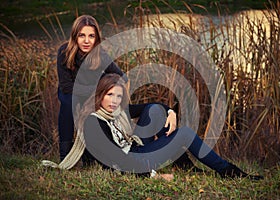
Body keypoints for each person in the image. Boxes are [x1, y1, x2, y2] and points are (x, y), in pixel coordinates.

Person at [43, 74, 263, 180]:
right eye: (110, 95)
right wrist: (153, 176)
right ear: (100, 95)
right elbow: (114, 162)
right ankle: (228, 172)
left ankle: (183, 163)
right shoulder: (94, 122)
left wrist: (171, 112)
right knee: (185, 134)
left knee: (156, 111)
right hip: (133, 158)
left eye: (118, 96)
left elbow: (150, 107)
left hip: (135, 147)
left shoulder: (118, 111)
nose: (114, 101)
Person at [56, 15, 126, 162]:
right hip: (69, 93)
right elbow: (66, 86)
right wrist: (96, 90)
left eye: (91, 36)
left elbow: (121, 77)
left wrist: (106, 88)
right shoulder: (64, 51)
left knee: (93, 113)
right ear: (75, 36)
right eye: (82, 35)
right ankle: (65, 156)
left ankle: (89, 156)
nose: (87, 41)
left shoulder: (100, 54)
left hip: (90, 94)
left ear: (96, 38)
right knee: (68, 106)